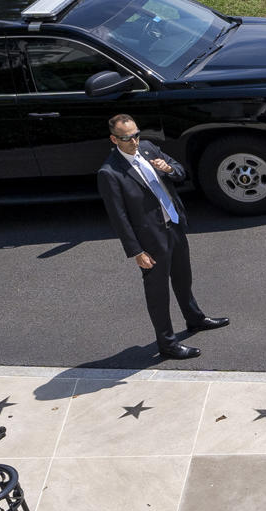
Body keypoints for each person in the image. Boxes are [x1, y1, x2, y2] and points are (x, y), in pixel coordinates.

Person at [96, 114, 228, 360]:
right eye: (126, 138)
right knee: (158, 294)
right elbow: (118, 217)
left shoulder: (147, 148)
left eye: (136, 134)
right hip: (150, 240)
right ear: (114, 139)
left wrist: (169, 169)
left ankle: (195, 319)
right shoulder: (109, 173)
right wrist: (136, 251)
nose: (134, 141)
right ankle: (167, 344)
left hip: (174, 225)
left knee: (183, 278)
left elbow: (179, 171)